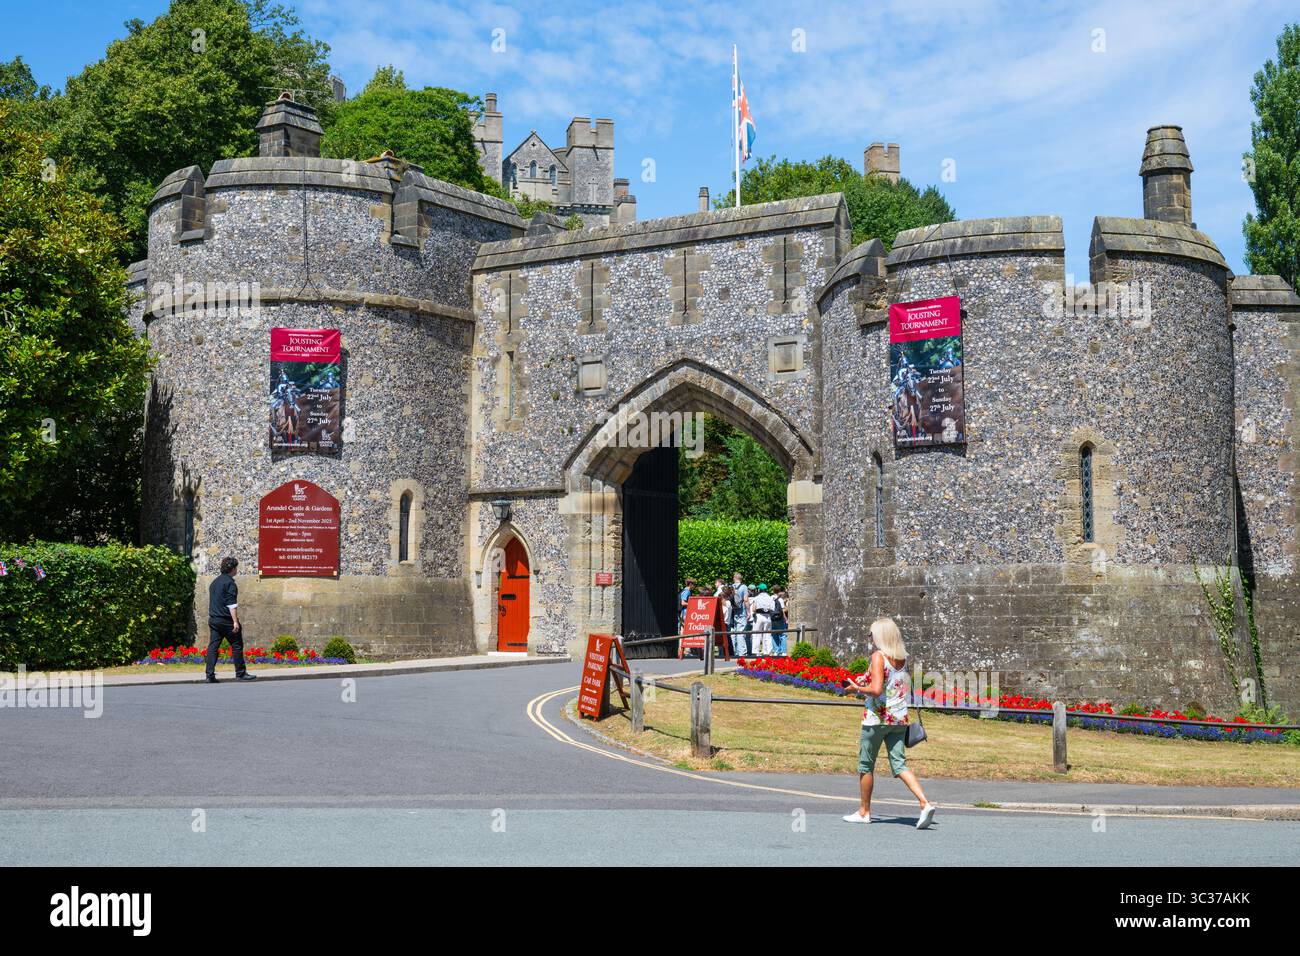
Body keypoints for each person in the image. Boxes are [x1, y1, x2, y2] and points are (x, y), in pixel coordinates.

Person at [842, 617, 935, 829]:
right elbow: (890, 682)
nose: (870, 638)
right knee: (900, 763)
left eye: (871, 634)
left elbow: (876, 690)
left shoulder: (878, 656)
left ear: (880, 636)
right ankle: (924, 803)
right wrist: (862, 680)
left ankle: (864, 811)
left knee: (866, 765)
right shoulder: (902, 658)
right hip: (899, 718)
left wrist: (855, 689)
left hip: (877, 718)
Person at [205, 557, 256, 683]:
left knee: (213, 646)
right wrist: (235, 621)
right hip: (226, 620)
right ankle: (241, 673)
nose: (236, 570)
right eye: (236, 568)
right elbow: (231, 604)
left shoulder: (214, 582)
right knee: (237, 645)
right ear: (232, 569)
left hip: (214, 619)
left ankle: (209, 675)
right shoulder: (230, 583)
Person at [750, 584, 775, 655]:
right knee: (767, 634)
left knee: (757, 634)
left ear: (759, 590)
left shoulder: (757, 598)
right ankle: (768, 651)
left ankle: (756, 651)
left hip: (759, 616)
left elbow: (754, 609)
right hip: (768, 617)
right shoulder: (770, 597)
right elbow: (772, 609)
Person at [730, 573, 749, 656]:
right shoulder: (744, 587)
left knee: (733, 632)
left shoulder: (731, 587)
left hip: (733, 611)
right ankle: (742, 652)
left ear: (734, 578)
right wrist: (748, 611)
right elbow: (745, 600)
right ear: (741, 578)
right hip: (741, 612)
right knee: (741, 632)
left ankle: (733, 650)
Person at [771, 588, 789, 655]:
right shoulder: (780, 599)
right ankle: (783, 651)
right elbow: (783, 611)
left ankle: (776, 651)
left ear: (773, 591)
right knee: (783, 635)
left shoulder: (770, 598)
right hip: (780, 618)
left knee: (774, 634)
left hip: (772, 618)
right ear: (779, 591)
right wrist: (786, 619)